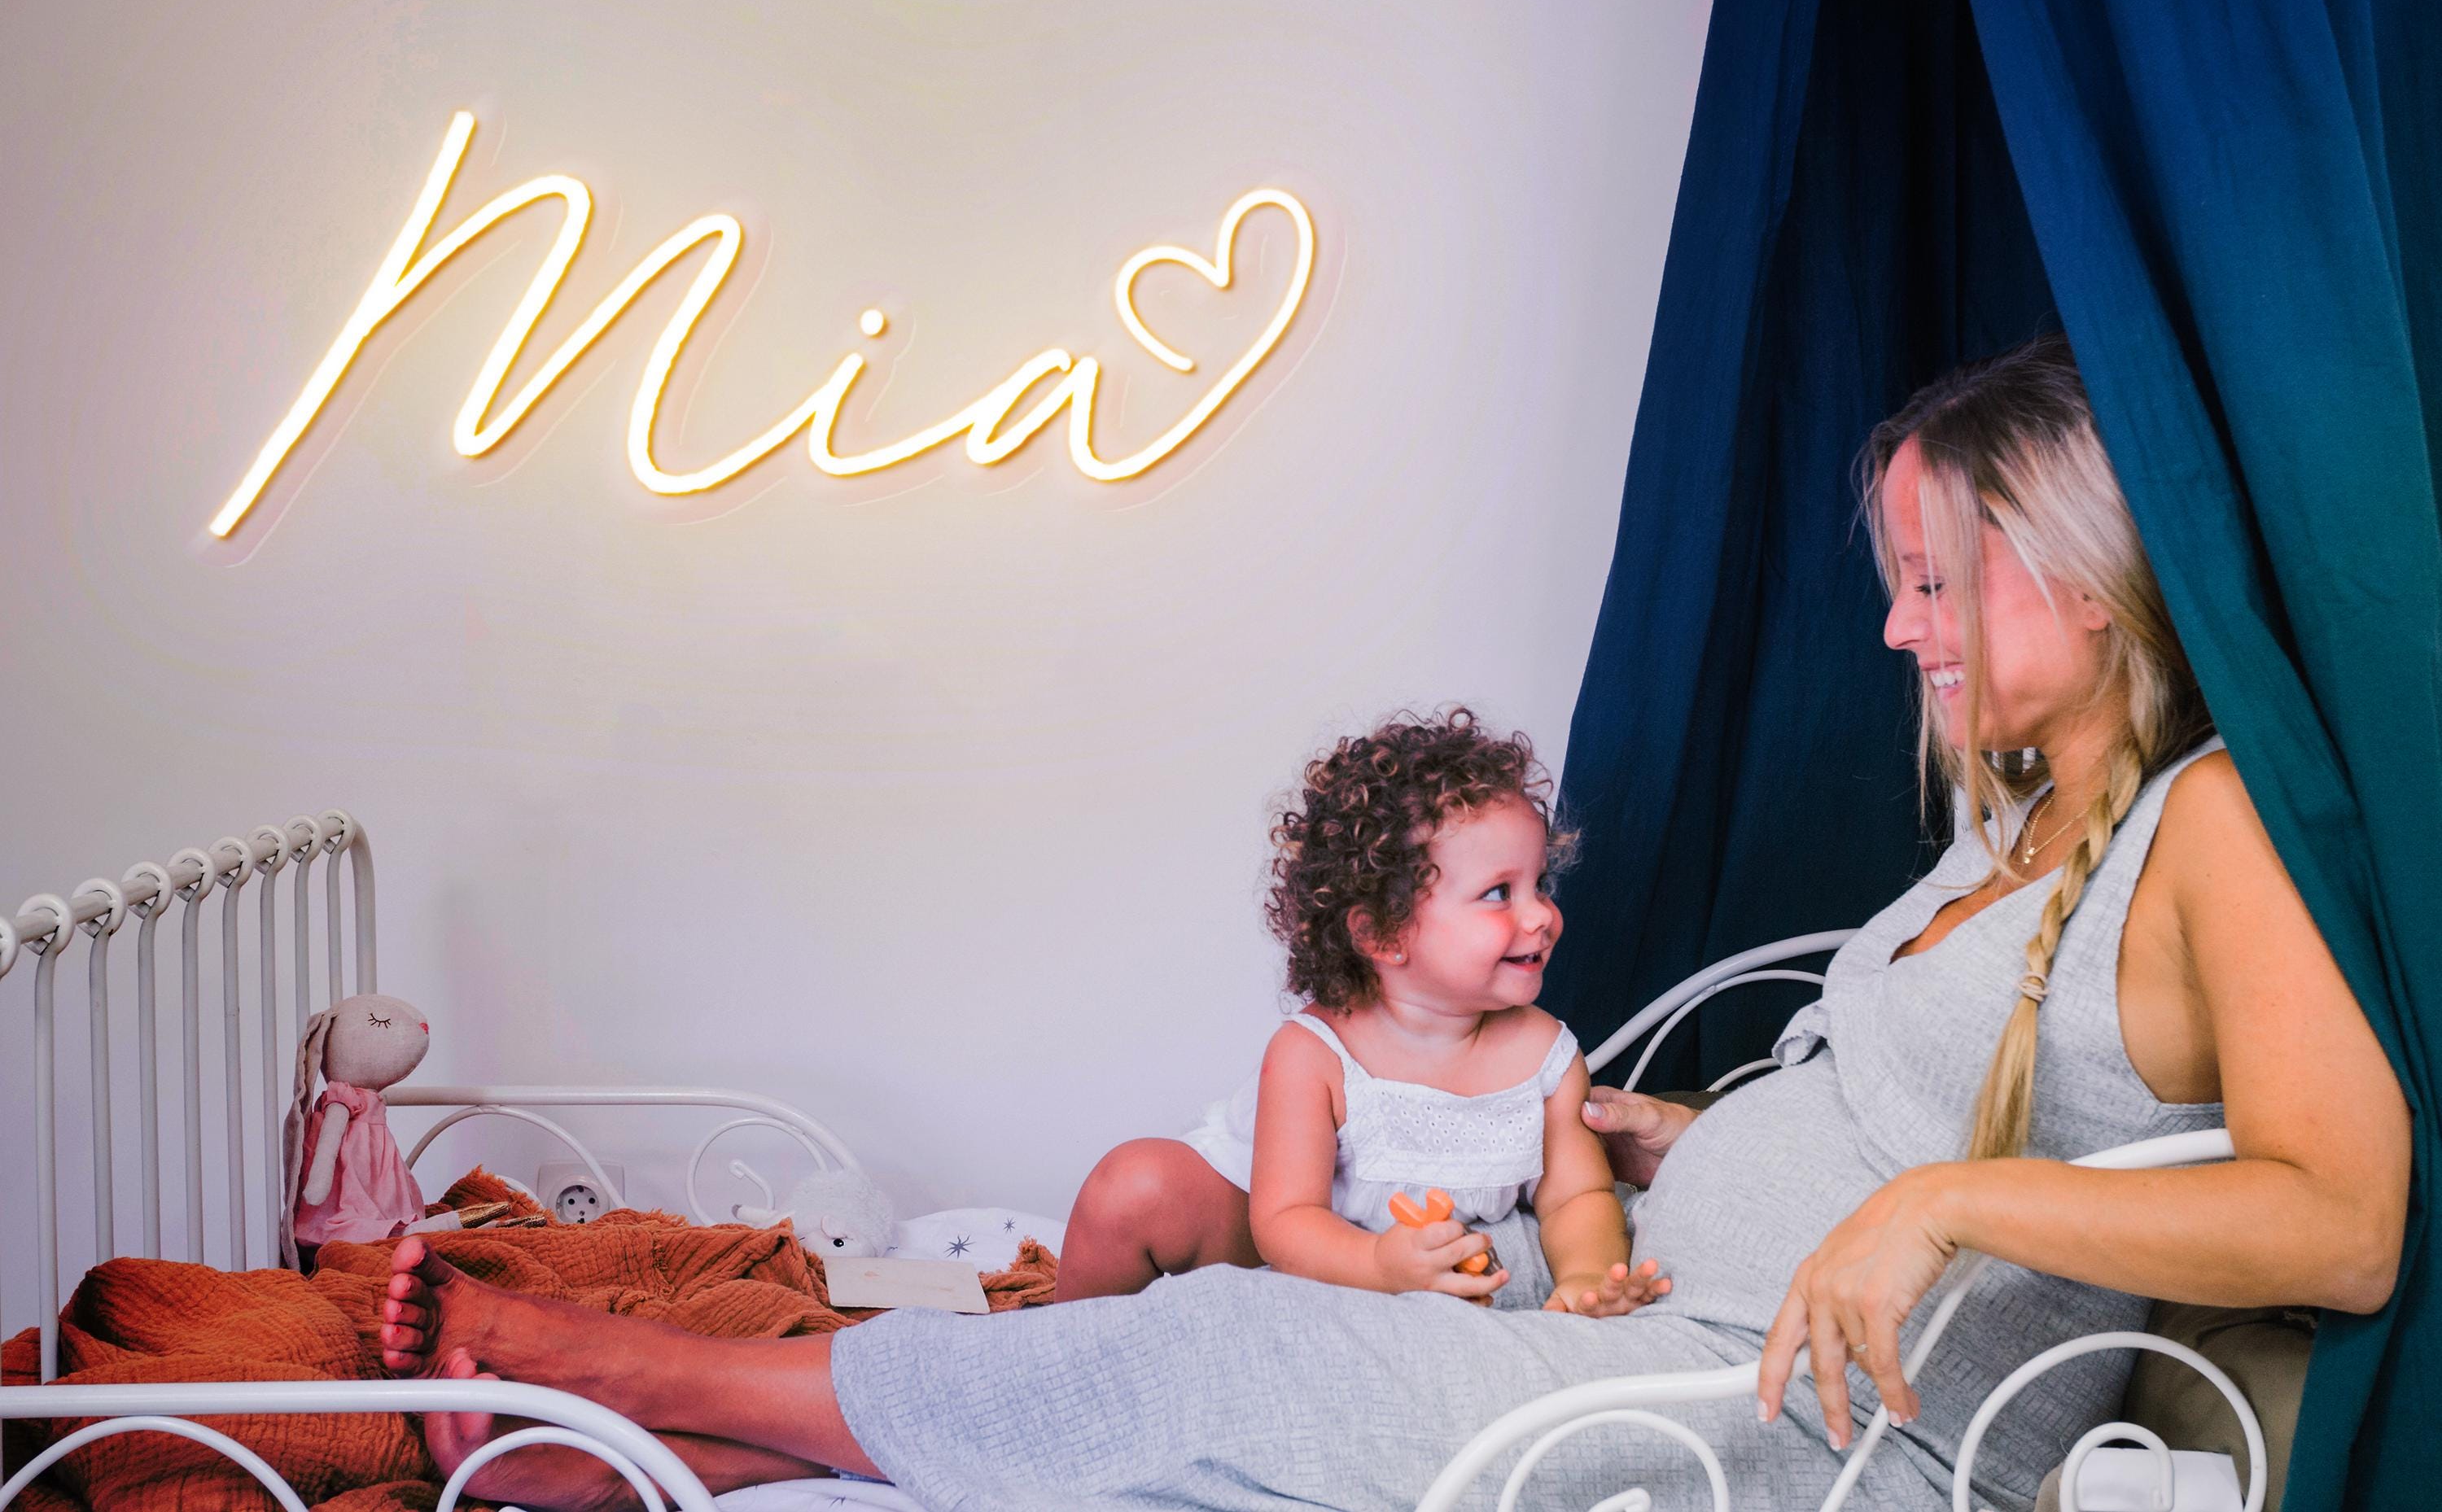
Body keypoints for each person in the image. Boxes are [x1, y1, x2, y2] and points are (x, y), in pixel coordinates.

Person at [376, 335, 2409, 1512]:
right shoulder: (2015, 821)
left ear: (2072, 564)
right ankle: (711, 1451)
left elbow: (2341, 1218)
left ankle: (637, 1379)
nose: (1895, 629)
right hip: (1643, 1312)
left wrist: (1940, 1205)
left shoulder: (2211, 826)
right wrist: (1671, 1137)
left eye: (1931, 580)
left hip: (1786, 1423)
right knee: (1218, 1332)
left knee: (1224, 1348)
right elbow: (1898, 1107)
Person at [1054, 707, 1661, 1320]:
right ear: (1383, 934)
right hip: (1258, 1219)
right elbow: (1285, 1220)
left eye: (1541, 884)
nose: (1541, 916)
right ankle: (1057, 1345)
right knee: (1130, 1188)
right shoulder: (1314, 1053)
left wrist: (1587, 1278)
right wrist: (1379, 1265)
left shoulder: (1545, 1057)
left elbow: (1578, 1195)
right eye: (1499, 892)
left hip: (1400, 1255)